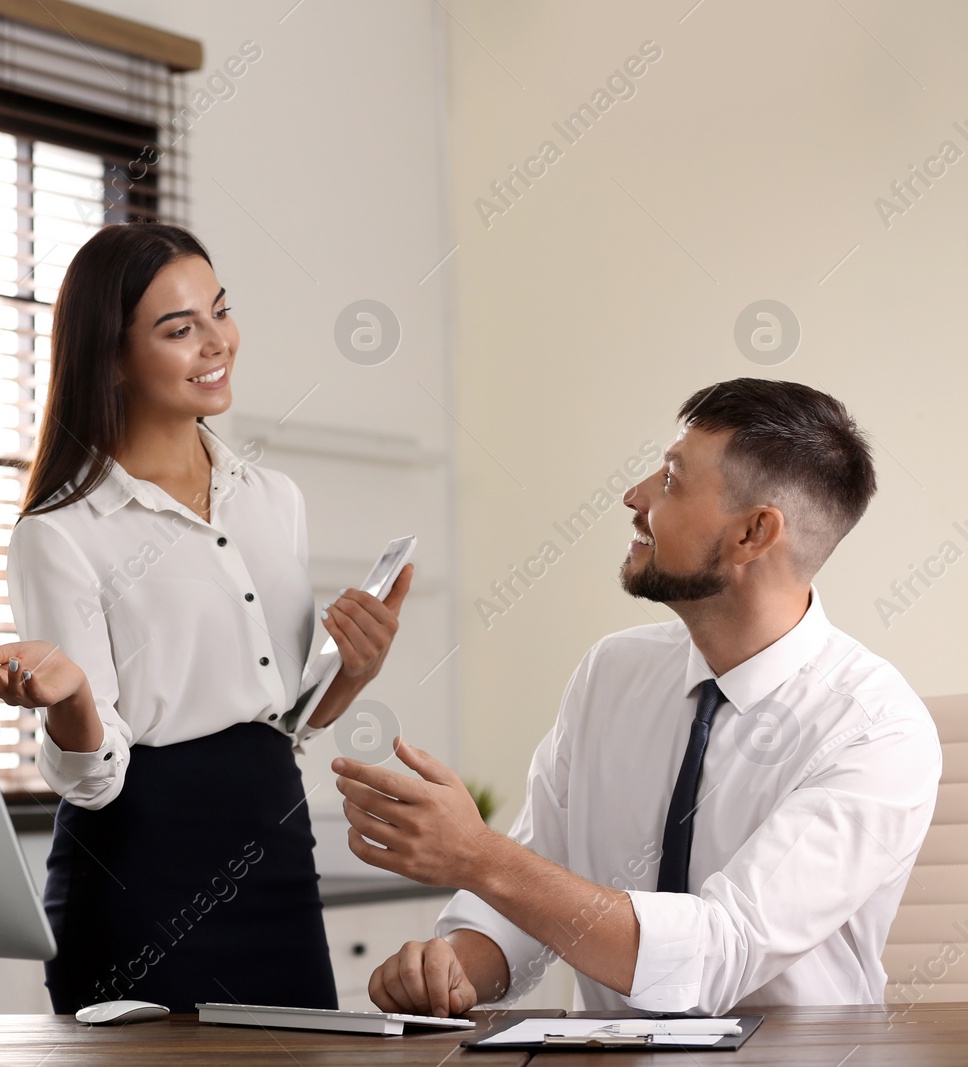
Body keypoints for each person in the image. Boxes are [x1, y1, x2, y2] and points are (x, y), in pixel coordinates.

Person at [333, 378, 941, 1016]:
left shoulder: (876, 729)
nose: (634, 496)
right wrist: (454, 968)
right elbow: (530, 891)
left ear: (754, 533)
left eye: (673, 479)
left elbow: (715, 956)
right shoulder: (613, 673)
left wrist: (480, 855)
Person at [0, 222, 413, 1014]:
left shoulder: (276, 501)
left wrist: (354, 670)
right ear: (113, 356)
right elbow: (92, 783)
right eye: (179, 328)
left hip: (277, 857)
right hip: (138, 883)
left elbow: (284, 721)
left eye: (220, 311)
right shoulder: (62, 532)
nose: (217, 342)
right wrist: (71, 701)